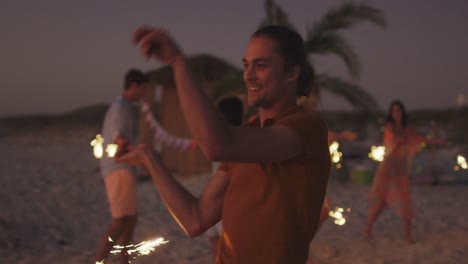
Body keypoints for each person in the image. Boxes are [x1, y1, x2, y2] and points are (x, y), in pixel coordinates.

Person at [120, 25, 331, 263]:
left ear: (292, 73)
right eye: (246, 65)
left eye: (261, 65)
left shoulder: (306, 128)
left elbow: (217, 145)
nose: (248, 75)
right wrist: (150, 159)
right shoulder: (245, 140)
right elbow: (195, 219)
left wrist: (178, 62)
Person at [95, 69, 196, 263]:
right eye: (143, 89)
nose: (144, 94)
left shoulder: (125, 107)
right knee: (120, 220)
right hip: (118, 168)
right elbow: (119, 137)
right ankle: (99, 261)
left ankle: (124, 260)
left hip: (125, 169)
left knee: (130, 220)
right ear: (134, 86)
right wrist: (141, 153)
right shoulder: (120, 107)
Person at [363, 100, 447, 243]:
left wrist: (436, 141)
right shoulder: (389, 128)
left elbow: (419, 139)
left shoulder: (407, 130)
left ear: (402, 112)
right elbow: (394, 141)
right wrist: (404, 139)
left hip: (400, 172)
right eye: (394, 110)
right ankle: (367, 230)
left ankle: (407, 235)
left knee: (405, 201)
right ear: (391, 113)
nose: (397, 113)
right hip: (387, 171)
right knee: (380, 203)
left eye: (399, 110)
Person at [204, 96, 244, 262]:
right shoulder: (243, 141)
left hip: (213, 202)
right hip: (230, 207)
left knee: (217, 250)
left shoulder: (216, 140)